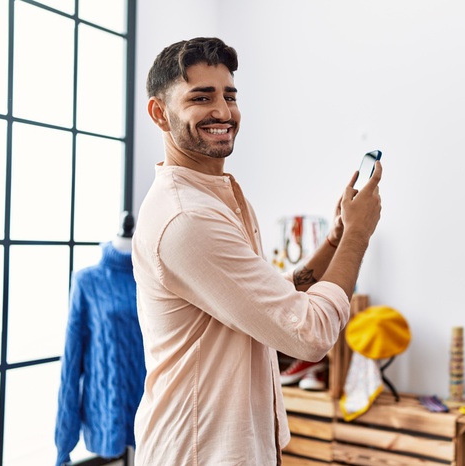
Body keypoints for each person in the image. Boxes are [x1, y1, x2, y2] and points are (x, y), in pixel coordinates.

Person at [132, 37, 382, 465]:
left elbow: (268, 308)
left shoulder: (222, 196)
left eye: (229, 96)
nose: (223, 112)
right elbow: (308, 334)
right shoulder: (186, 218)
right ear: (160, 113)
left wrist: (336, 239)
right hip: (197, 453)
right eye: (201, 97)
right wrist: (359, 237)